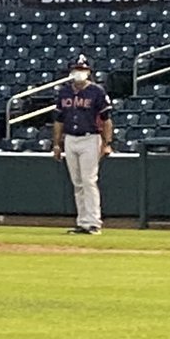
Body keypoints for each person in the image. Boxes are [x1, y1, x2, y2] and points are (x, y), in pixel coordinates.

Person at [53, 55, 113, 235]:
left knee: (89, 180)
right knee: (77, 182)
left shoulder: (97, 91)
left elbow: (107, 119)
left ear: (88, 72)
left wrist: (107, 143)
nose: (79, 73)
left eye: (82, 69)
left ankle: (94, 222)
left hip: (90, 137)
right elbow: (58, 119)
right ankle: (83, 221)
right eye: (76, 69)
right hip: (70, 138)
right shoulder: (64, 92)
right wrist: (56, 144)